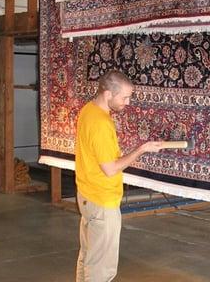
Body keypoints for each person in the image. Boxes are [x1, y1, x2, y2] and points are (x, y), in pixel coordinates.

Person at [75, 70, 163, 282]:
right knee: (101, 269)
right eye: (124, 97)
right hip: (102, 201)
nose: (127, 102)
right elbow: (110, 168)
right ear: (107, 94)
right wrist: (141, 150)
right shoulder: (101, 124)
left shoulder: (88, 110)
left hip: (87, 194)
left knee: (88, 258)